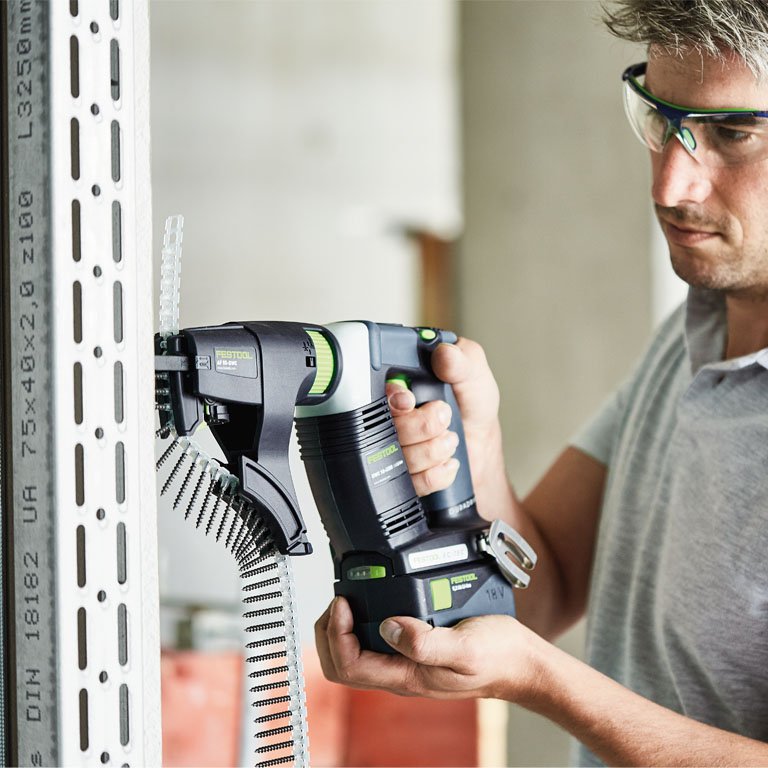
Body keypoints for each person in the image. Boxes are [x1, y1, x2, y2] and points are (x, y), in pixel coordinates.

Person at [315, 1, 768, 764]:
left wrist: (540, 680)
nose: (671, 184)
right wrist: (478, 445)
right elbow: (541, 585)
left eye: (732, 134)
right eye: (661, 120)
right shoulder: (692, 331)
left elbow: (532, 650)